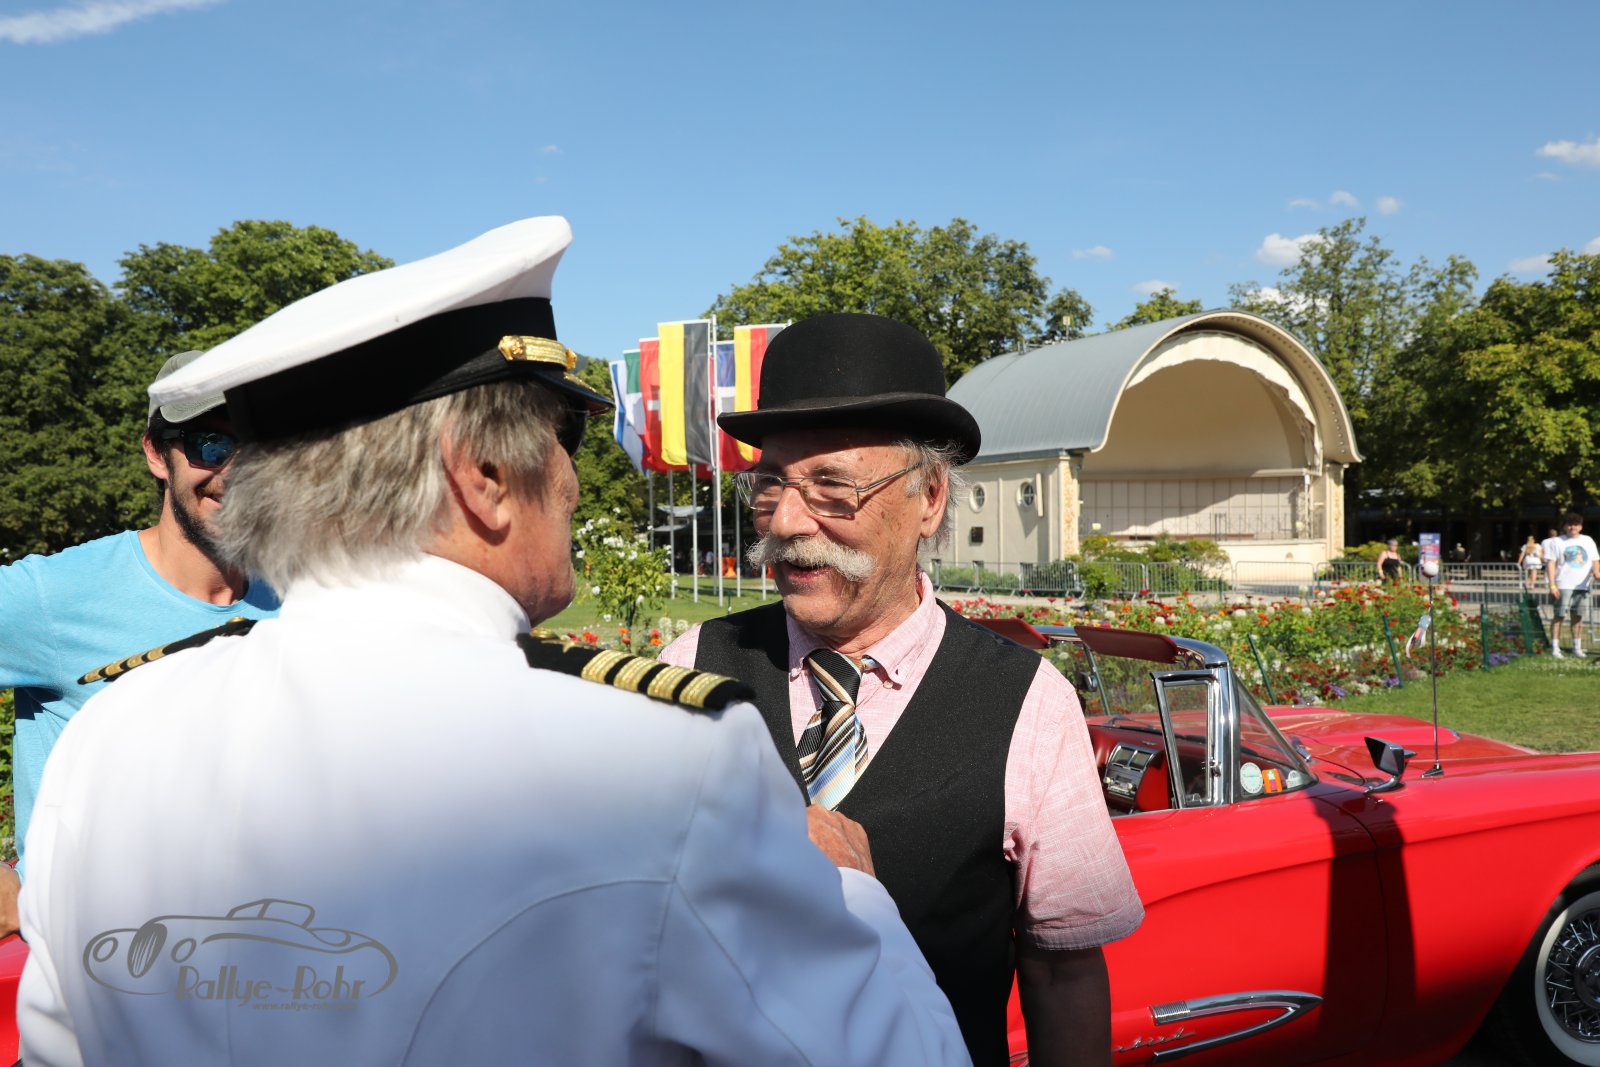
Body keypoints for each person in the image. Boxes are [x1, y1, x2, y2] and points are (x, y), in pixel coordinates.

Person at [16, 219, 968, 1067]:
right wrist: (855, 896)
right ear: (481, 474)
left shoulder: (111, 733)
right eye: (565, 439)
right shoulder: (660, 769)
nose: (576, 483)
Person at [660, 313, 1143, 1066]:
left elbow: (1063, 970)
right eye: (771, 483)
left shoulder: (1028, 702)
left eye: (831, 487)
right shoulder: (693, 665)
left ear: (929, 498)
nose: (786, 520)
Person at [0, 352, 280, 935]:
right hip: (96, 960)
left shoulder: (304, 595)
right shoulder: (55, 596)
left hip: (259, 948)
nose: (237, 472)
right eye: (211, 445)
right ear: (157, 454)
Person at [1547, 512, 1599, 658]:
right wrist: (1552, 585)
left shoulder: (1588, 540)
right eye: (1569, 524)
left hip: (1583, 586)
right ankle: (1555, 648)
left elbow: (1595, 560)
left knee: (1578, 617)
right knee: (1559, 616)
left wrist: (1596, 572)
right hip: (1563, 585)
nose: (1572, 527)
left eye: (1576, 525)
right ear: (1564, 526)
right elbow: (1551, 564)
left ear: (1581, 527)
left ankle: (1577, 648)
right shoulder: (1557, 541)